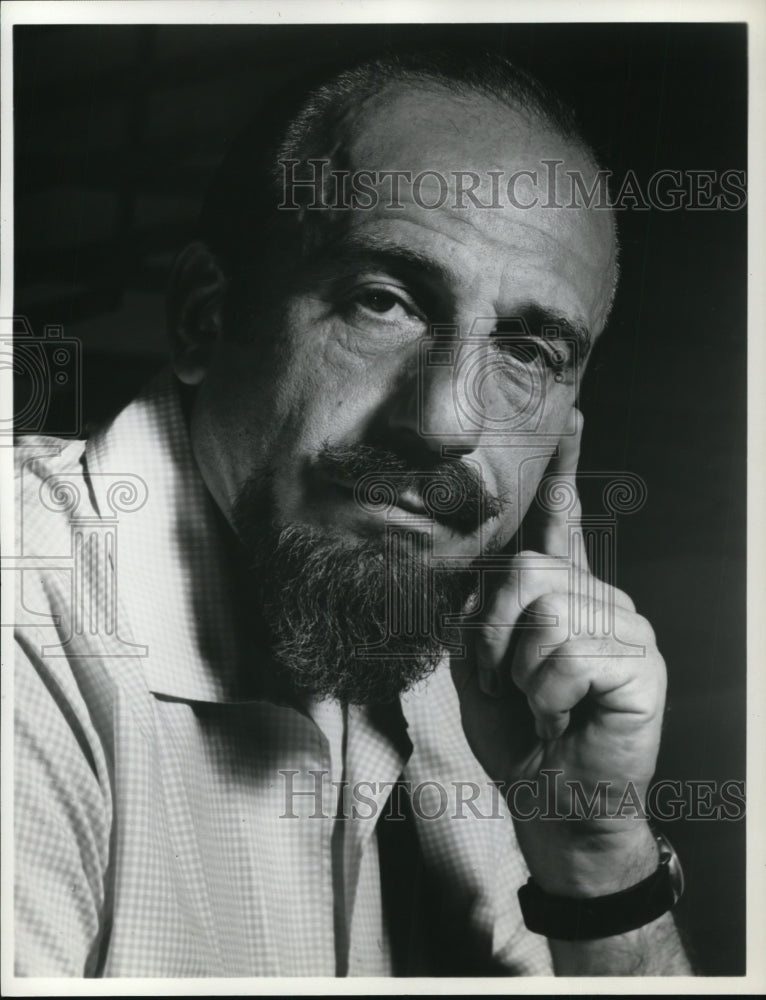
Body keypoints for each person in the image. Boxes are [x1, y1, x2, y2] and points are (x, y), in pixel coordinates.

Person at [14, 50, 692, 977]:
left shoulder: (466, 672)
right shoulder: (27, 616)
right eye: (384, 301)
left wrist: (594, 860)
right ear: (203, 318)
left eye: (528, 351)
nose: (449, 422)